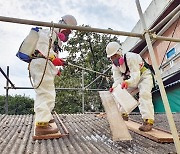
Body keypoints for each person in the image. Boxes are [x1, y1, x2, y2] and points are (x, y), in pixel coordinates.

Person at [29, 15, 77, 136]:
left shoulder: (54, 38)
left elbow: (50, 56)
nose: (67, 35)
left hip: (41, 65)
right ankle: (42, 125)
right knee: (46, 94)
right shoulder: (50, 32)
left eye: (69, 33)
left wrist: (55, 69)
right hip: (40, 64)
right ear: (62, 26)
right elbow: (42, 48)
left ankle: (45, 117)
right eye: (67, 32)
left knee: (46, 92)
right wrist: (53, 59)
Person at [106, 41, 154, 132]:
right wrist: (114, 87)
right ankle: (123, 115)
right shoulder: (115, 67)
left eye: (115, 56)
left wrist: (127, 83)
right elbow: (117, 80)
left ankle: (148, 121)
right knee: (121, 93)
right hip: (132, 79)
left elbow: (136, 77)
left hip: (144, 76)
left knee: (144, 94)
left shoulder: (131, 57)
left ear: (119, 52)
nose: (113, 59)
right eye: (111, 57)